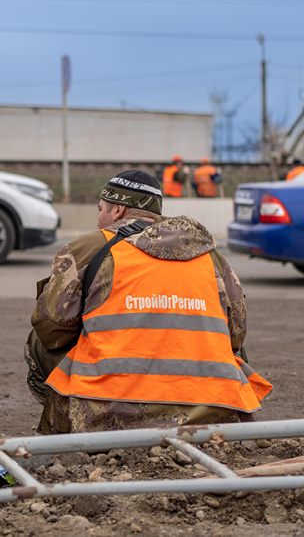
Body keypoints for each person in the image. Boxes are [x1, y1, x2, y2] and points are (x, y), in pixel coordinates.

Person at [24, 170, 272, 434]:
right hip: (213, 410)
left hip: (108, 413)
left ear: (118, 210)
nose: (98, 219)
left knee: (38, 342)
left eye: (101, 210)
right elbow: (236, 335)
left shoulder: (86, 248)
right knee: (228, 349)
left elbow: (50, 329)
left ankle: (66, 428)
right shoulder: (210, 256)